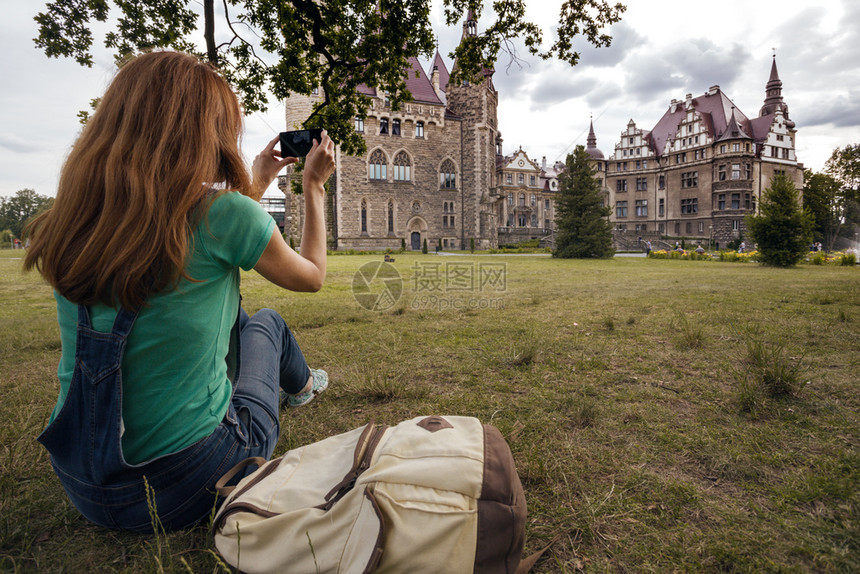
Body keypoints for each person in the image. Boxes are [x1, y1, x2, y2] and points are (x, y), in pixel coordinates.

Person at [23, 51, 336, 533]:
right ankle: (302, 388)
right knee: (266, 322)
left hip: (84, 483)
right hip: (191, 482)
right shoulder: (224, 214)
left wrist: (257, 184)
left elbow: (190, 238)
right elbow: (312, 275)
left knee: (232, 316)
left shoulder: (77, 217)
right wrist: (312, 186)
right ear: (204, 133)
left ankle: (301, 384)